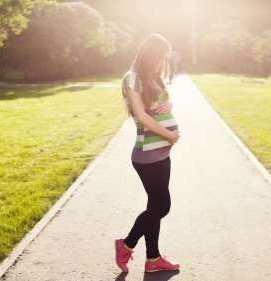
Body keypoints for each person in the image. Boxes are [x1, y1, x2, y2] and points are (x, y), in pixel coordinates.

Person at [115, 34, 181, 273]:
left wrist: (169, 105)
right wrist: (170, 134)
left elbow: (164, 101)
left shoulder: (152, 78)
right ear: (150, 55)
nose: (162, 64)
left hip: (162, 153)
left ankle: (153, 260)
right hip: (147, 155)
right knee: (162, 206)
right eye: (160, 59)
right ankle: (126, 244)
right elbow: (141, 116)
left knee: (154, 206)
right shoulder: (131, 79)